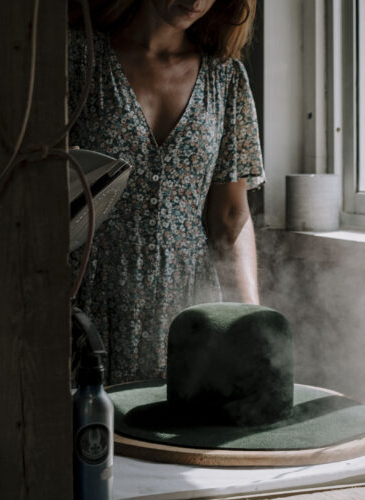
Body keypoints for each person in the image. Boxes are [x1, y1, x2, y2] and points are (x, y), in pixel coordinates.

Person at [69, 0, 264, 384]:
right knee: (87, 432)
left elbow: (230, 218)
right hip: (89, 293)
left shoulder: (226, 79)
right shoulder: (78, 57)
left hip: (188, 302)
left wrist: (252, 322)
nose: (195, 1)